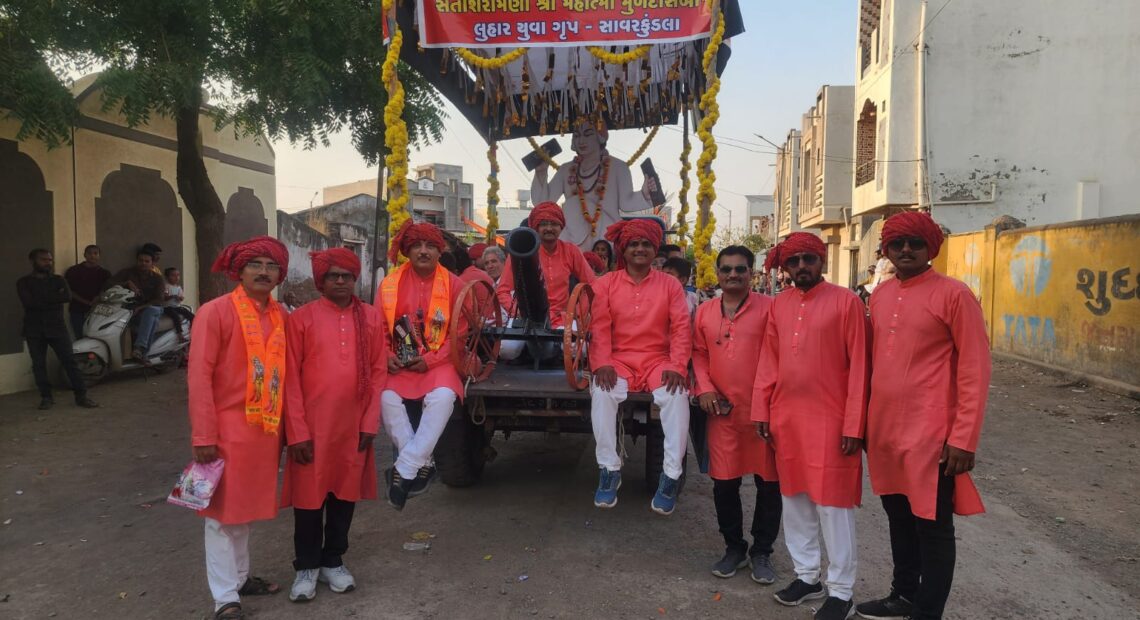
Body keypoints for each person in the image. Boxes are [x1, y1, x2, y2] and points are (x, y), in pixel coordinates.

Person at [856, 212, 991, 620]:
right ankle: (903, 595)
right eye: (897, 244)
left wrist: (963, 438)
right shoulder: (880, 295)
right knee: (898, 517)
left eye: (915, 243)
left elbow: (975, 369)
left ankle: (927, 611)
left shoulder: (955, 295)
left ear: (930, 247)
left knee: (932, 526)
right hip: (885, 431)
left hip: (932, 435)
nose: (906, 250)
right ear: (886, 250)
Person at [752, 232, 869, 620]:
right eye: (794, 261)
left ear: (822, 261)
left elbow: (860, 367)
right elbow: (769, 361)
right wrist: (762, 410)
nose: (801, 266)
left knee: (833, 506)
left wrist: (854, 424)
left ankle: (841, 592)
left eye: (808, 259)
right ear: (785, 267)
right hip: (787, 418)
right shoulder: (779, 304)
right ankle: (807, 577)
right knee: (795, 499)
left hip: (832, 420)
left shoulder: (847, 302)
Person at [188, 236, 291, 619]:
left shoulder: (281, 316)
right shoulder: (214, 312)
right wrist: (203, 435)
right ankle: (225, 599)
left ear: (279, 274)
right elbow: (199, 377)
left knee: (242, 513)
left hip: (264, 432)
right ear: (239, 270)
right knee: (219, 517)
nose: (264, 272)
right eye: (255, 265)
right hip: (224, 433)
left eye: (271, 266)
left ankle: (241, 577)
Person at [283, 248, 387, 602]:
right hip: (312, 427)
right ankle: (307, 567)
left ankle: (333, 560)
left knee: (345, 494)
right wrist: (296, 432)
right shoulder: (301, 319)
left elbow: (378, 372)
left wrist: (369, 422)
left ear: (355, 279)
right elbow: (290, 380)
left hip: (353, 426)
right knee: (308, 499)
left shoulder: (370, 317)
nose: (340, 281)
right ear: (321, 281)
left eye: (346, 276)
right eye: (333, 276)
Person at [692, 246, 781, 583]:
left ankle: (762, 551)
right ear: (717, 273)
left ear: (751, 274)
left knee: (768, 485)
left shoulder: (771, 308)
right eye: (727, 269)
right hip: (722, 412)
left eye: (740, 269)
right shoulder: (704, 311)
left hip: (763, 413)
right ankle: (734, 547)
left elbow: (780, 357)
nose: (733, 275)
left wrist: (768, 403)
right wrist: (704, 389)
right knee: (724, 483)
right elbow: (698, 354)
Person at [589, 219, 690, 514]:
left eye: (646, 244)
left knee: (676, 396)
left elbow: (681, 328)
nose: (640, 249)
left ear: (655, 249)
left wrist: (677, 365)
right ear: (624, 249)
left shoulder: (670, 285)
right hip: (618, 360)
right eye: (633, 244)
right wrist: (602, 363)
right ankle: (609, 470)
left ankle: (670, 476)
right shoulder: (605, 283)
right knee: (602, 393)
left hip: (659, 360)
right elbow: (599, 327)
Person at [378, 221, 464, 510]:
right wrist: (385, 354)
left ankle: (405, 469)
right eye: (417, 245)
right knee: (387, 398)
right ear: (407, 251)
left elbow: (461, 335)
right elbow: (379, 328)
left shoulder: (454, 285)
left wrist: (430, 360)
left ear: (440, 252)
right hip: (401, 363)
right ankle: (422, 463)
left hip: (441, 362)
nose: (423, 251)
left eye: (430, 246)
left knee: (443, 398)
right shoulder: (389, 284)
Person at [531, 117, 655, 250]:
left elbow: (626, 203)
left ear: (600, 137)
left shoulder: (619, 167)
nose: (581, 141)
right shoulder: (566, 169)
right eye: (577, 135)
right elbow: (543, 204)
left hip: (606, 238)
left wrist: (645, 194)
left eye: (588, 134)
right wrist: (541, 172)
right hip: (572, 238)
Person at [17, 249, 98, 410]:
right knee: (38, 365)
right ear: (32, 261)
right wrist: (54, 298)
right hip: (34, 329)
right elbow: (29, 303)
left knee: (70, 362)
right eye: (43, 260)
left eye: (50, 260)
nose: (48, 263)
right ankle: (46, 397)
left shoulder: (58, 280)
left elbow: (67, 297)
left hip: (57, 328)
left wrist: (41, 299)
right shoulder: (23, 282)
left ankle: (81, 396)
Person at [496, 202, 595, 329]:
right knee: (508, 342)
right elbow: (502, 291)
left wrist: (576, 311)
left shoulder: (571, 251)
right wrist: (519, 311)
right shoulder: (522, 251)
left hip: (562, 320)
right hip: (527, 321)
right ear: (536, 227)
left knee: (575, 341)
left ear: (561, 226)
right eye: (543, 224)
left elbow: (592, 284)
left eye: (554, 223)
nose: (549, 228)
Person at [109, 249, 166, 362]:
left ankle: (139, 348)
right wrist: (126, 283)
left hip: (150, 308)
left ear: (152, 263)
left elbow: (159, 300)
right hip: (129, 309)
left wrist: (140, 308)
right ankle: (142, 354)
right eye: (141, 260)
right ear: (137, 261)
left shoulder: (157, 278)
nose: (143, 263)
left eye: (147, 261)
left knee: (151, 311)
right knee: (153, 321)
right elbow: (108, 284)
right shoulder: (127, 273)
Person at [64, 244, 111, 339]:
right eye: (89, 253)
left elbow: (107, 290)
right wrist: (87, 302)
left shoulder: (105, 273)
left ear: (99, 255)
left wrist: (98, 298)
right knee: (80, 337)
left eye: (95, 253)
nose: (92, 256)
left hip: (98, 311)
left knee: (96, 337)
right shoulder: (73, 271)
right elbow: (69, 290)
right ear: (84, 255)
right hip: (77, 310)